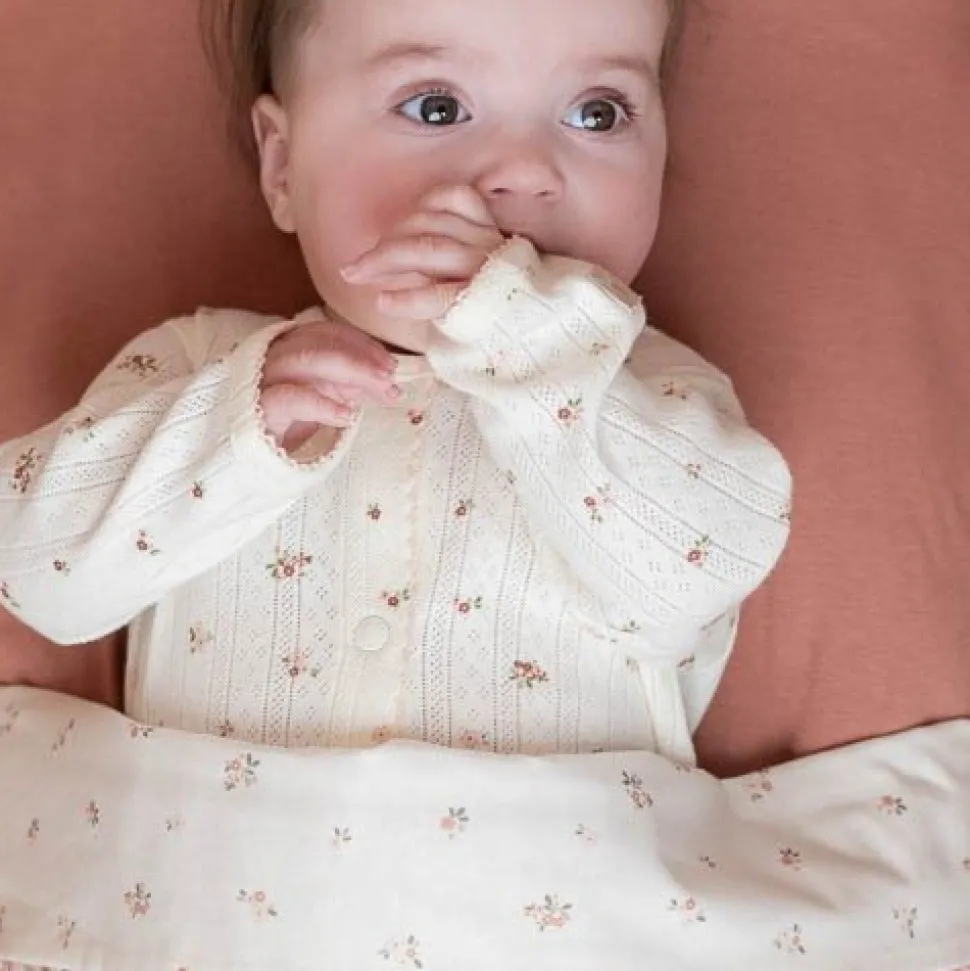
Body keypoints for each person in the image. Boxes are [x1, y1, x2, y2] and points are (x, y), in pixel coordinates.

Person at [0, 0, 790, 767]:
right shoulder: (204, 363)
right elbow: (35, 574)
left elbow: (700, 577)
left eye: (598, 113)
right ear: (284, 165)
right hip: (215, 844)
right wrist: (227, 432)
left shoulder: (647, 390)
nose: (526, 171)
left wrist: (534, 341)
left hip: (554, 853)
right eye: (437, 108)